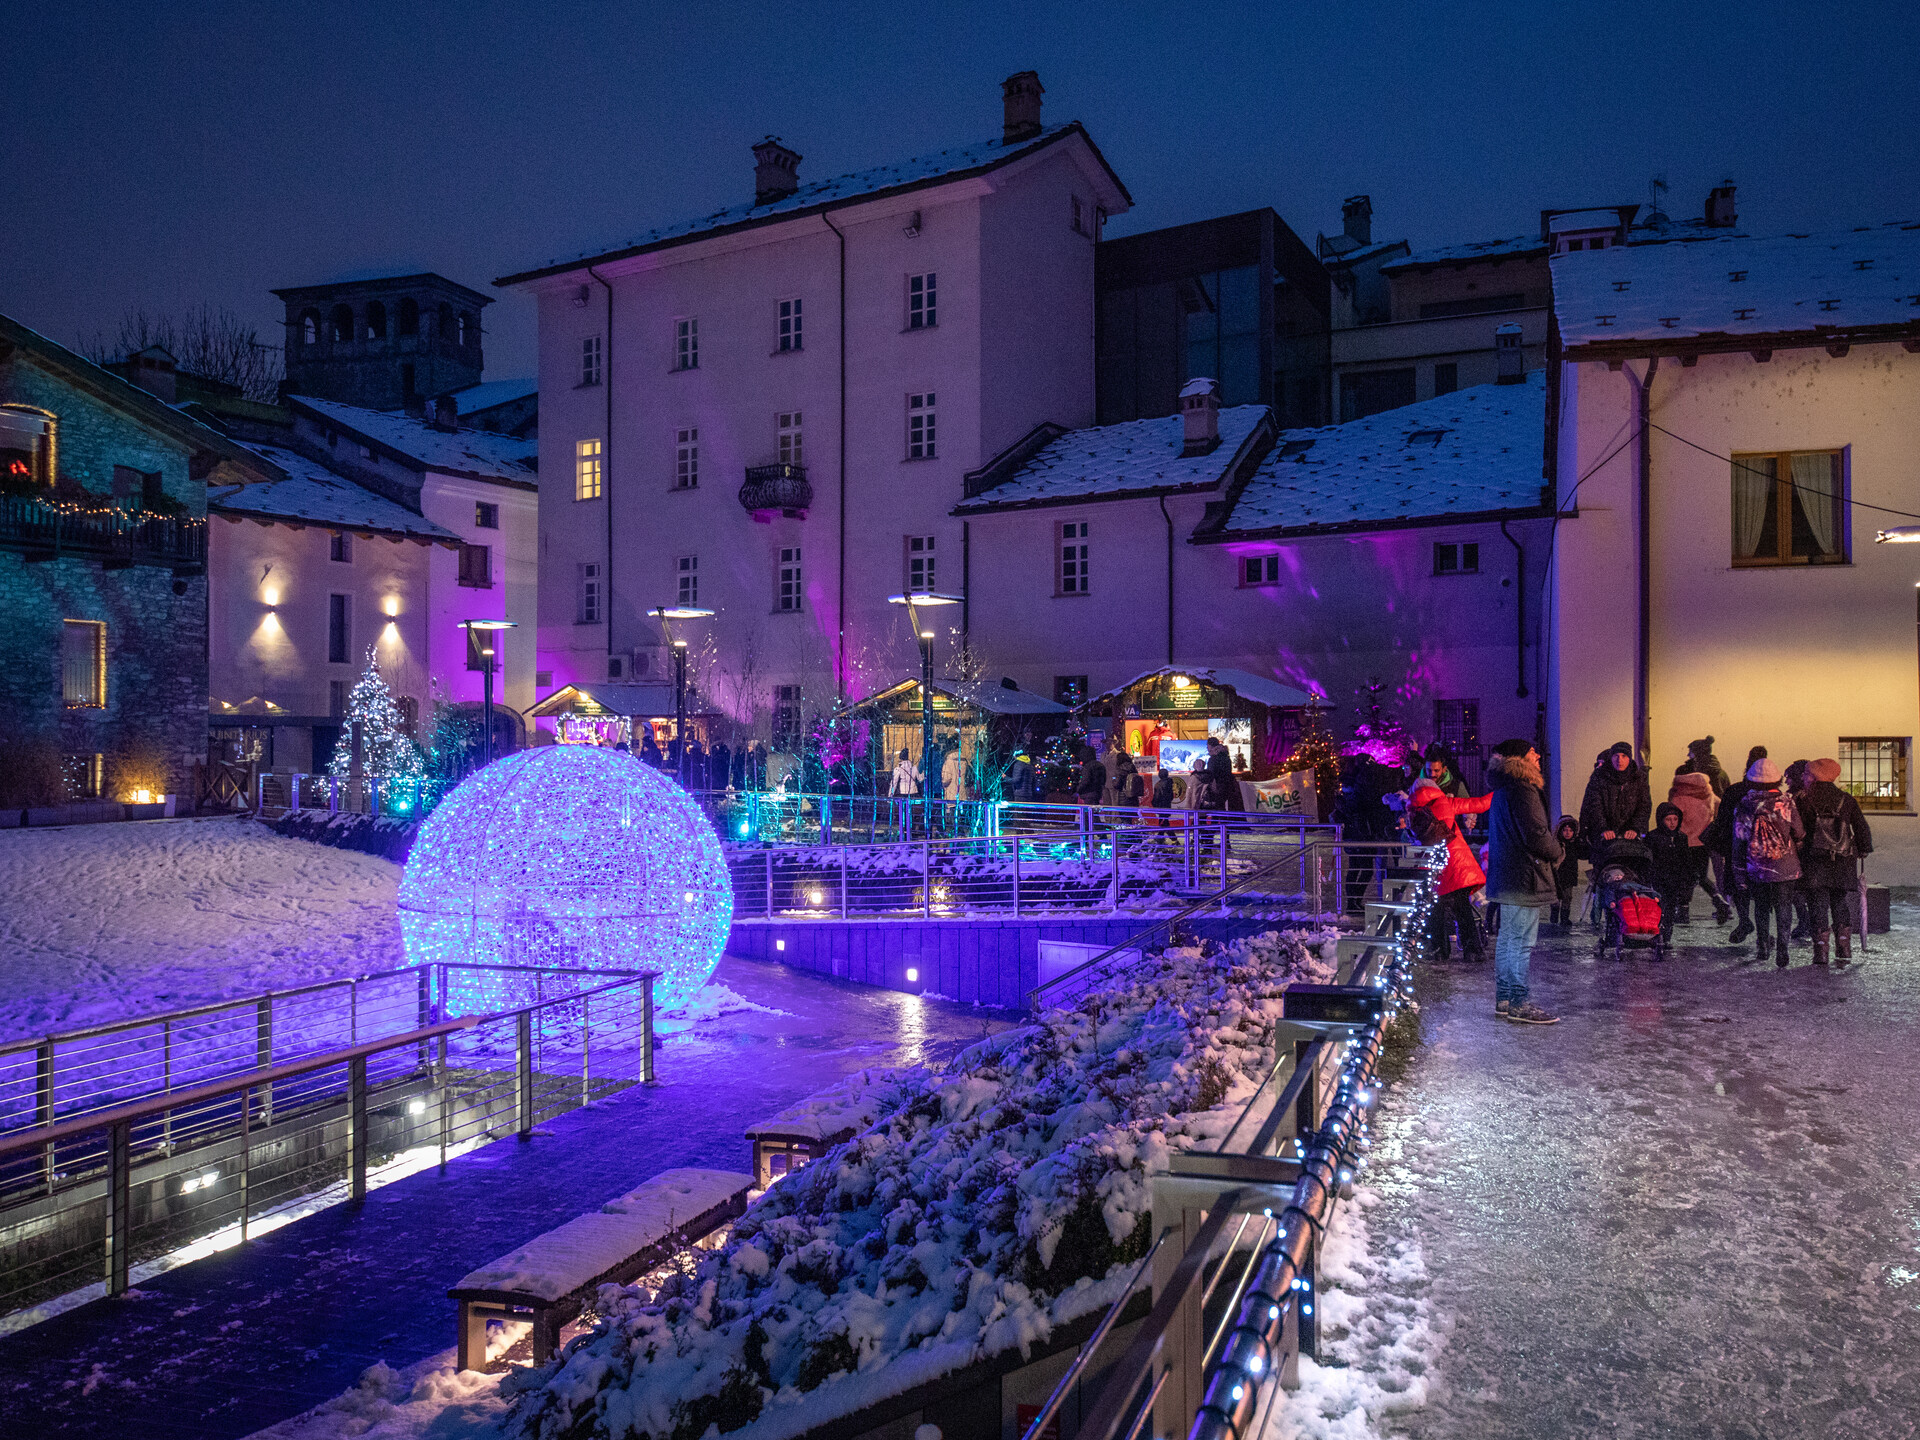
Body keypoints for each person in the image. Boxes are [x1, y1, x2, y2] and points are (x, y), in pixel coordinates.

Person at [1484, 738, 1564, 1023]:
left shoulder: (1504, 790)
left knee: (1508, 938)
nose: (1539, 756)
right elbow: (1536, 835)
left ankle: (1504, 999)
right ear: (1520, 760)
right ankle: (1519, 1002)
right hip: (1524, 876)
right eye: (1533, 753)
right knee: (1520, 941)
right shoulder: (1523, 791)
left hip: (1507, 875)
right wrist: (1557, 851)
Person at [1796, 757, 1873, 966]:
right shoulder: (1846, 799)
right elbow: (1861, 827)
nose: (1803, 777)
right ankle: (1844, 947)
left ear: (1813, 776)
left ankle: (1821, 952)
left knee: (1817, 903)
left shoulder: (1803, 799)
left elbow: (1797, 831)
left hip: (1814, 860)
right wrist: (1864, 849)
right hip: (1842, 859)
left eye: (1806, 774)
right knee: (1839, 901)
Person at [1409, 777, 1494, 961]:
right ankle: (1472, 951)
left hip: (1432, 866)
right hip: (1456, 864)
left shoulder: (1412, 808)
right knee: (1463, 909)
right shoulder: (1446, 802)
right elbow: (1479, 804)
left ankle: (1439, 950)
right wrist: (1502, 790)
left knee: (1436, 910)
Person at [1731, 757, 1805, 968]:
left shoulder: (1744, 805)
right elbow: (1799, 832)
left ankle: (1763, 946)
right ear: (1777, 779)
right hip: (1785, 866)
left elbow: (1739, 839)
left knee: (1761, 907)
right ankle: (1783, 948)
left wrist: (1739, 873)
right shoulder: (1787, 802)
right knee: (1784, 907)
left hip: (1757, 867)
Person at [1706, 745, 1768, 943]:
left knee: (1739, 887)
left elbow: (1723, 821)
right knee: (1761, 894)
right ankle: (1762, 933)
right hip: (1765, 851)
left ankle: (1744, 921)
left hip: (1738, 848)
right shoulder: (1773, 794)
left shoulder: (1735, 791)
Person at [1667, 770, 1730, 923]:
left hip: (1684, 843)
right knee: (1701, 876)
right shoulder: (1708, 794)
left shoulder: (1679, 798)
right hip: (1703, 843)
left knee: (1685, 877)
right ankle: (1720, 901)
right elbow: (1721, 806)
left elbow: (1672, 820)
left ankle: (1683, 910)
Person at [1579, 741, 1652, 854]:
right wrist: (1603, 828)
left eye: (1624, 756)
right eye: (1616, 756)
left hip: (1631, 838)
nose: (1619, 760)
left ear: (1629, 758)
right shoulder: (1599, 777)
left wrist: (1634, 828)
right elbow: (1594, 806)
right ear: (1611, 758)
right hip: (1604, 838)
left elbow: (1644, 806)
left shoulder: (1638, 778)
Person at [1646, 804, 1695, 942]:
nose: (1672, 823)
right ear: (1662, 820)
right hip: (1658, 880)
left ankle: (1666, 937)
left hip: (1674, 880)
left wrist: (1687, 880)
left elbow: (1686, 860)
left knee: (1670, 910)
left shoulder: (1681, 837)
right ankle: (1656, 935)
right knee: (1658, 908)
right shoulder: (1653, 837)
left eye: (1675, 819)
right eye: (1668, 819)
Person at [1549, 815, 1582, 929]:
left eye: (1570, 830)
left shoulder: (1575, 844)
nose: (1567, 833)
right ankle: (1554, 917)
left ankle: (1564, 918)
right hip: (1557, 876)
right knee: (1555, 899)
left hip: (1569, 876)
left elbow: (1583, 854)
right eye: (1565, 830)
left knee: (1567, 898)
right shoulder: (1556, 844)